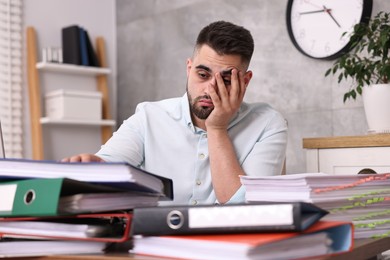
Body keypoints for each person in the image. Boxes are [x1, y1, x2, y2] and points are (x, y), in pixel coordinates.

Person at [62, 21, 288, 205]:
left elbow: (248, 209)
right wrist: (92, 167)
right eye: (202, 75)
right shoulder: (149, 117)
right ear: (189, 69)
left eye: (226, 80)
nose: (211, 89)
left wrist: (217, 128)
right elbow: (109, 168)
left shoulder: (267, 124)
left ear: (245, 81)